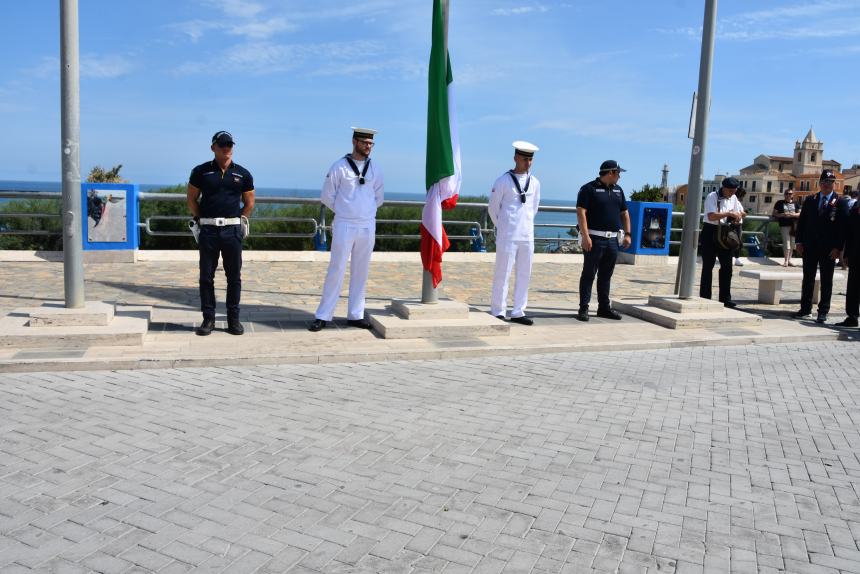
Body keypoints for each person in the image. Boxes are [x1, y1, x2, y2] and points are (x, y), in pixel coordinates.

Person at [309, 128, 385, 332]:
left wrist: (364, 212)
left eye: (371, 143)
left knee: (361, 271)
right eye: (364, 142)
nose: (368, 146)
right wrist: (345, 210)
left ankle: (356, 315)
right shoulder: (339, 167)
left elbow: (379, 197)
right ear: (354, 142)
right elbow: (327, 196)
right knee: (336, 269)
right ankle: (323, 315)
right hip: (344, 224)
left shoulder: (375, 168)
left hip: (367, 225)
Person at [187, 130, 255, 336]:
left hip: (232, 231)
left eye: (230, 145)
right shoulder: (200, 171)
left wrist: (239, 221)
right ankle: (208, 319)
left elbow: (249, 202)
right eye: (222, 144)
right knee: (206, 277)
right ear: (213, 147)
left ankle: (233, 319)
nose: (227, 148)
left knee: (234, 276)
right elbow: (191, 199)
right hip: (208, 231)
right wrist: (202, 220)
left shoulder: (243, 174)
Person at [488, 141, 541, 325]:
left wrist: (523, 226)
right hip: (508, 235)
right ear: (515, 158)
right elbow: (493, 209)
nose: (528, 163)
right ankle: (498, 310)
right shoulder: (503, 181)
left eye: (531, 159)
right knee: (503, 273)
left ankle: (518, 311)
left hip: (527, 235)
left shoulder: (534, 182)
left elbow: (533, 208)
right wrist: (504, 226)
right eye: (525, 159)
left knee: (524, 274)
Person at [575, 160, 632, 322]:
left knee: (606, 275)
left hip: (613, 240)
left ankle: (604, 308)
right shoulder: (588, 189)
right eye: (618, 173)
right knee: (588, 274)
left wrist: (628, 234)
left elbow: (625, 213)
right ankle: (583, 308)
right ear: (610, 173)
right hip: (594, 239)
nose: (619, 176)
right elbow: (581, 212)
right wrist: (585, 236)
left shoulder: (618, 190)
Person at [793, 169, 849, 324]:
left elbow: (842, 228)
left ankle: (823, 312)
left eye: (830, 182)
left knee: (826, 281)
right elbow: (802, 222)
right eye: (824, 182)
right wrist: (798, 242)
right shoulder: (811, 200)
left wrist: (838, 248)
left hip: (829, 249)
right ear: (820, 183)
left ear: (834, 184)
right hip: (809, 246)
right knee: (808, 278)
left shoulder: (840, 202)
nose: (826, 185)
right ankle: (805, 309)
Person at [699, 176, 744, 308]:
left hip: (725, 233)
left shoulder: (734, 198)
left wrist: (739, 215)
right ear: (724, 188)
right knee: (708, 266)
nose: (732, 193)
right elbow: (711, 216)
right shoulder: (712, 196)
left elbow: (741, 211)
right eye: (730, 190)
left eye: (734, 190)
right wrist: (729, 214)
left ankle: (725, 298)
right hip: (710, 231)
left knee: (727, 267)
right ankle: (705, 297)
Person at [835, 197, 860, 328]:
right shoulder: (856, 208)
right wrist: (846, 254)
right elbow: (850, 233)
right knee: (853, 288)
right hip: (855, 255)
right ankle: (852, 317)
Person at [772, 189, 800, 266]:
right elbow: (774, 214)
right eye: (787, 193)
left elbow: (800, 214)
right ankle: (786, 260)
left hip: (794, 225)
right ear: (784, 195)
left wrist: (792, 215)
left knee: (792, 244)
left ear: (792, 195)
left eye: (790, 194)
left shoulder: (796, 203)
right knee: (786, 243)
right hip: (784, 225)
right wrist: (783, 215)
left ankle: (789, 260)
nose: (788, 195)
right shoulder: (779, 203)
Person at [733, 187, 747, 266]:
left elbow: (741, 212)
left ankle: (737, 258)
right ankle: (736, 259)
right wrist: (742, 213)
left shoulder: (738, 202)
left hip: (739, 224)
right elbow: (736, 212)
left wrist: (743, 213)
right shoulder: (735, 201)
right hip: (735, 224)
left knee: (738, 243)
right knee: (737, 242)